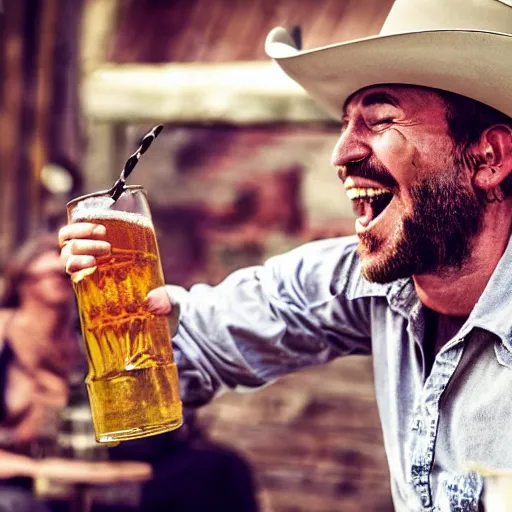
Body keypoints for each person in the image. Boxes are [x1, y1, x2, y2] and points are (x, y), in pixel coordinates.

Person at [58, 0, 512, 510]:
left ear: (489, 158)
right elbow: (200, 339)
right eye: (345, 124)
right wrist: (127, 318)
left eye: (380, 120)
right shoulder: (370, 282)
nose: (342, 154)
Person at [0, 234, 79, 511]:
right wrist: (32, 467)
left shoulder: (79, 347)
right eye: (53, 274)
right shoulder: (3, 334)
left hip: (63, 480)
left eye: (65, 276)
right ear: (23, 277)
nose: (61, 277)